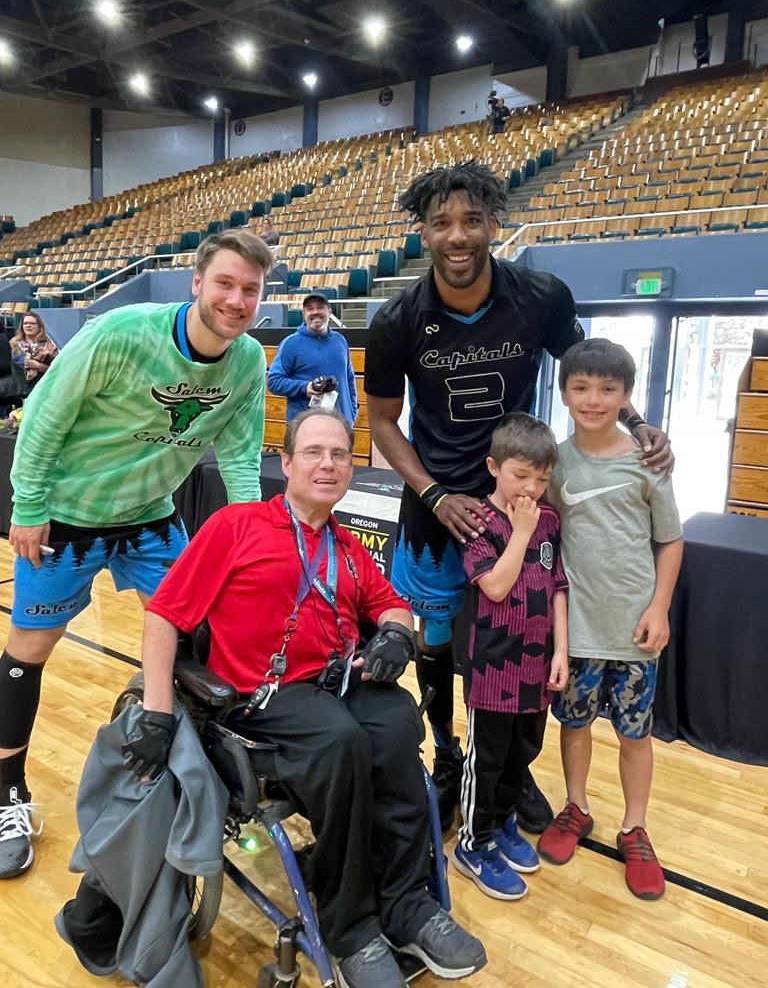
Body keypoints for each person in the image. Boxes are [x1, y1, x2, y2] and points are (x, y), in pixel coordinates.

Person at [364, 160, 673, 833]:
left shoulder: (542, 296)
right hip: (436, 510)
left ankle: (505, 766)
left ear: (494, 223)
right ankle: (448, 754)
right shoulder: (395, 320)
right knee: (440, 640)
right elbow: (384, 420)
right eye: (442, 222)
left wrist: (640, 424)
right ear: (422, 231)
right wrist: (436, 491)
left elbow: (592, 374)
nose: (458, 235)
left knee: (526, 641)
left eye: (472, 220)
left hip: (523, 503)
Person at [130, 410, 487, 988]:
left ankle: (405, 902)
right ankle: (350, 928)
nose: (328, 463)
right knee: (340, 741)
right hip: (259, 696)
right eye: (315, 452)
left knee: (398, 725)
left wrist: (395, 632)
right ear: (288, 462)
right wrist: (155, 709)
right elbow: (164, 615)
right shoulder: (236, 526)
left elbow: (392, 602)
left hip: (333, 684)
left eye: (341, 454)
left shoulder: (346, 545)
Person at [0, 229, 273, 879]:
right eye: (226, 283)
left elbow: (238, 457)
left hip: (150, 519)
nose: (236, 300)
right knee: (30, 652)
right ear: (197, 283)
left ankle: (184, 768)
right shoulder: (120, 333)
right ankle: (7, 793)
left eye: (250, 290)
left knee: (196, 634)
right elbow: (42, 416)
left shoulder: (246, 363)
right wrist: (29, 507)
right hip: (67, 517)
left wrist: (243, 544)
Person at [539, 339, 683, 900]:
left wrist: (659, 607)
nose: (593, 399)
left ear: (626, 396)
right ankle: (576, 806)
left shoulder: (648, 462)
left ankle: (635, 826)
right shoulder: (555, 461)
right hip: (576, 631)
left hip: (633, 629)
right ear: (564, 392)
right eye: (580, 387)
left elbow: (669, 542)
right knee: (574, 725)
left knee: (634, 735)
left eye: (607, 389)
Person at [453, 413, 569, 900]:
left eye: (542, 479)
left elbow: (558, 585)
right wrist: (520, 531)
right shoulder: (479, 523)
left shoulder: (549, 521)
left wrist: (561, 650)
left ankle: (503, 824)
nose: (532, 488)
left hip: (537, 667)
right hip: (494, 669)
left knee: (524, 754)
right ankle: (472, 842)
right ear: (494, 467)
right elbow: (496, 587)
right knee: (490, 760)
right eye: (522, 476)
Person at [268, 292, 358, 425]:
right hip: (305, 428)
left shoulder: (340, 341)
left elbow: (349, 379)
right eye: (310, 308)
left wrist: (351, 414)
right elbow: (274, 382)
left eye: (320, 307)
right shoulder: (291, 344)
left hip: (341, 426)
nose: (315, 312)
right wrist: (305, 387)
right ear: (304, 313)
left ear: (329, 311)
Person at [10, 312, 59, 395]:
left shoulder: (48, 345)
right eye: (26, 323)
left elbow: (57, 368)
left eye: (32, 323)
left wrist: (38, 366)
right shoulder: (13, 344)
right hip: (17, 390)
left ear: (39, 327)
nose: (28, 326)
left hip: (42, 390)